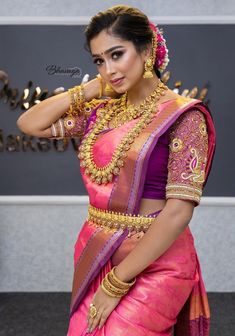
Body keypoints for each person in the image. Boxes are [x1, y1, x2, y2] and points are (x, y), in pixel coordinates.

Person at [16, 5, 216, 336]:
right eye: (99, 61)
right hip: (99, 248)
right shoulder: (102, 114)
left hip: (157, 258)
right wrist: (92, 89)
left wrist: (117, 281)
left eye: (116, 54)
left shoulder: (184, 118)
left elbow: (178, 214)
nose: (109, 69)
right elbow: (30, 123)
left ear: (147, 50)